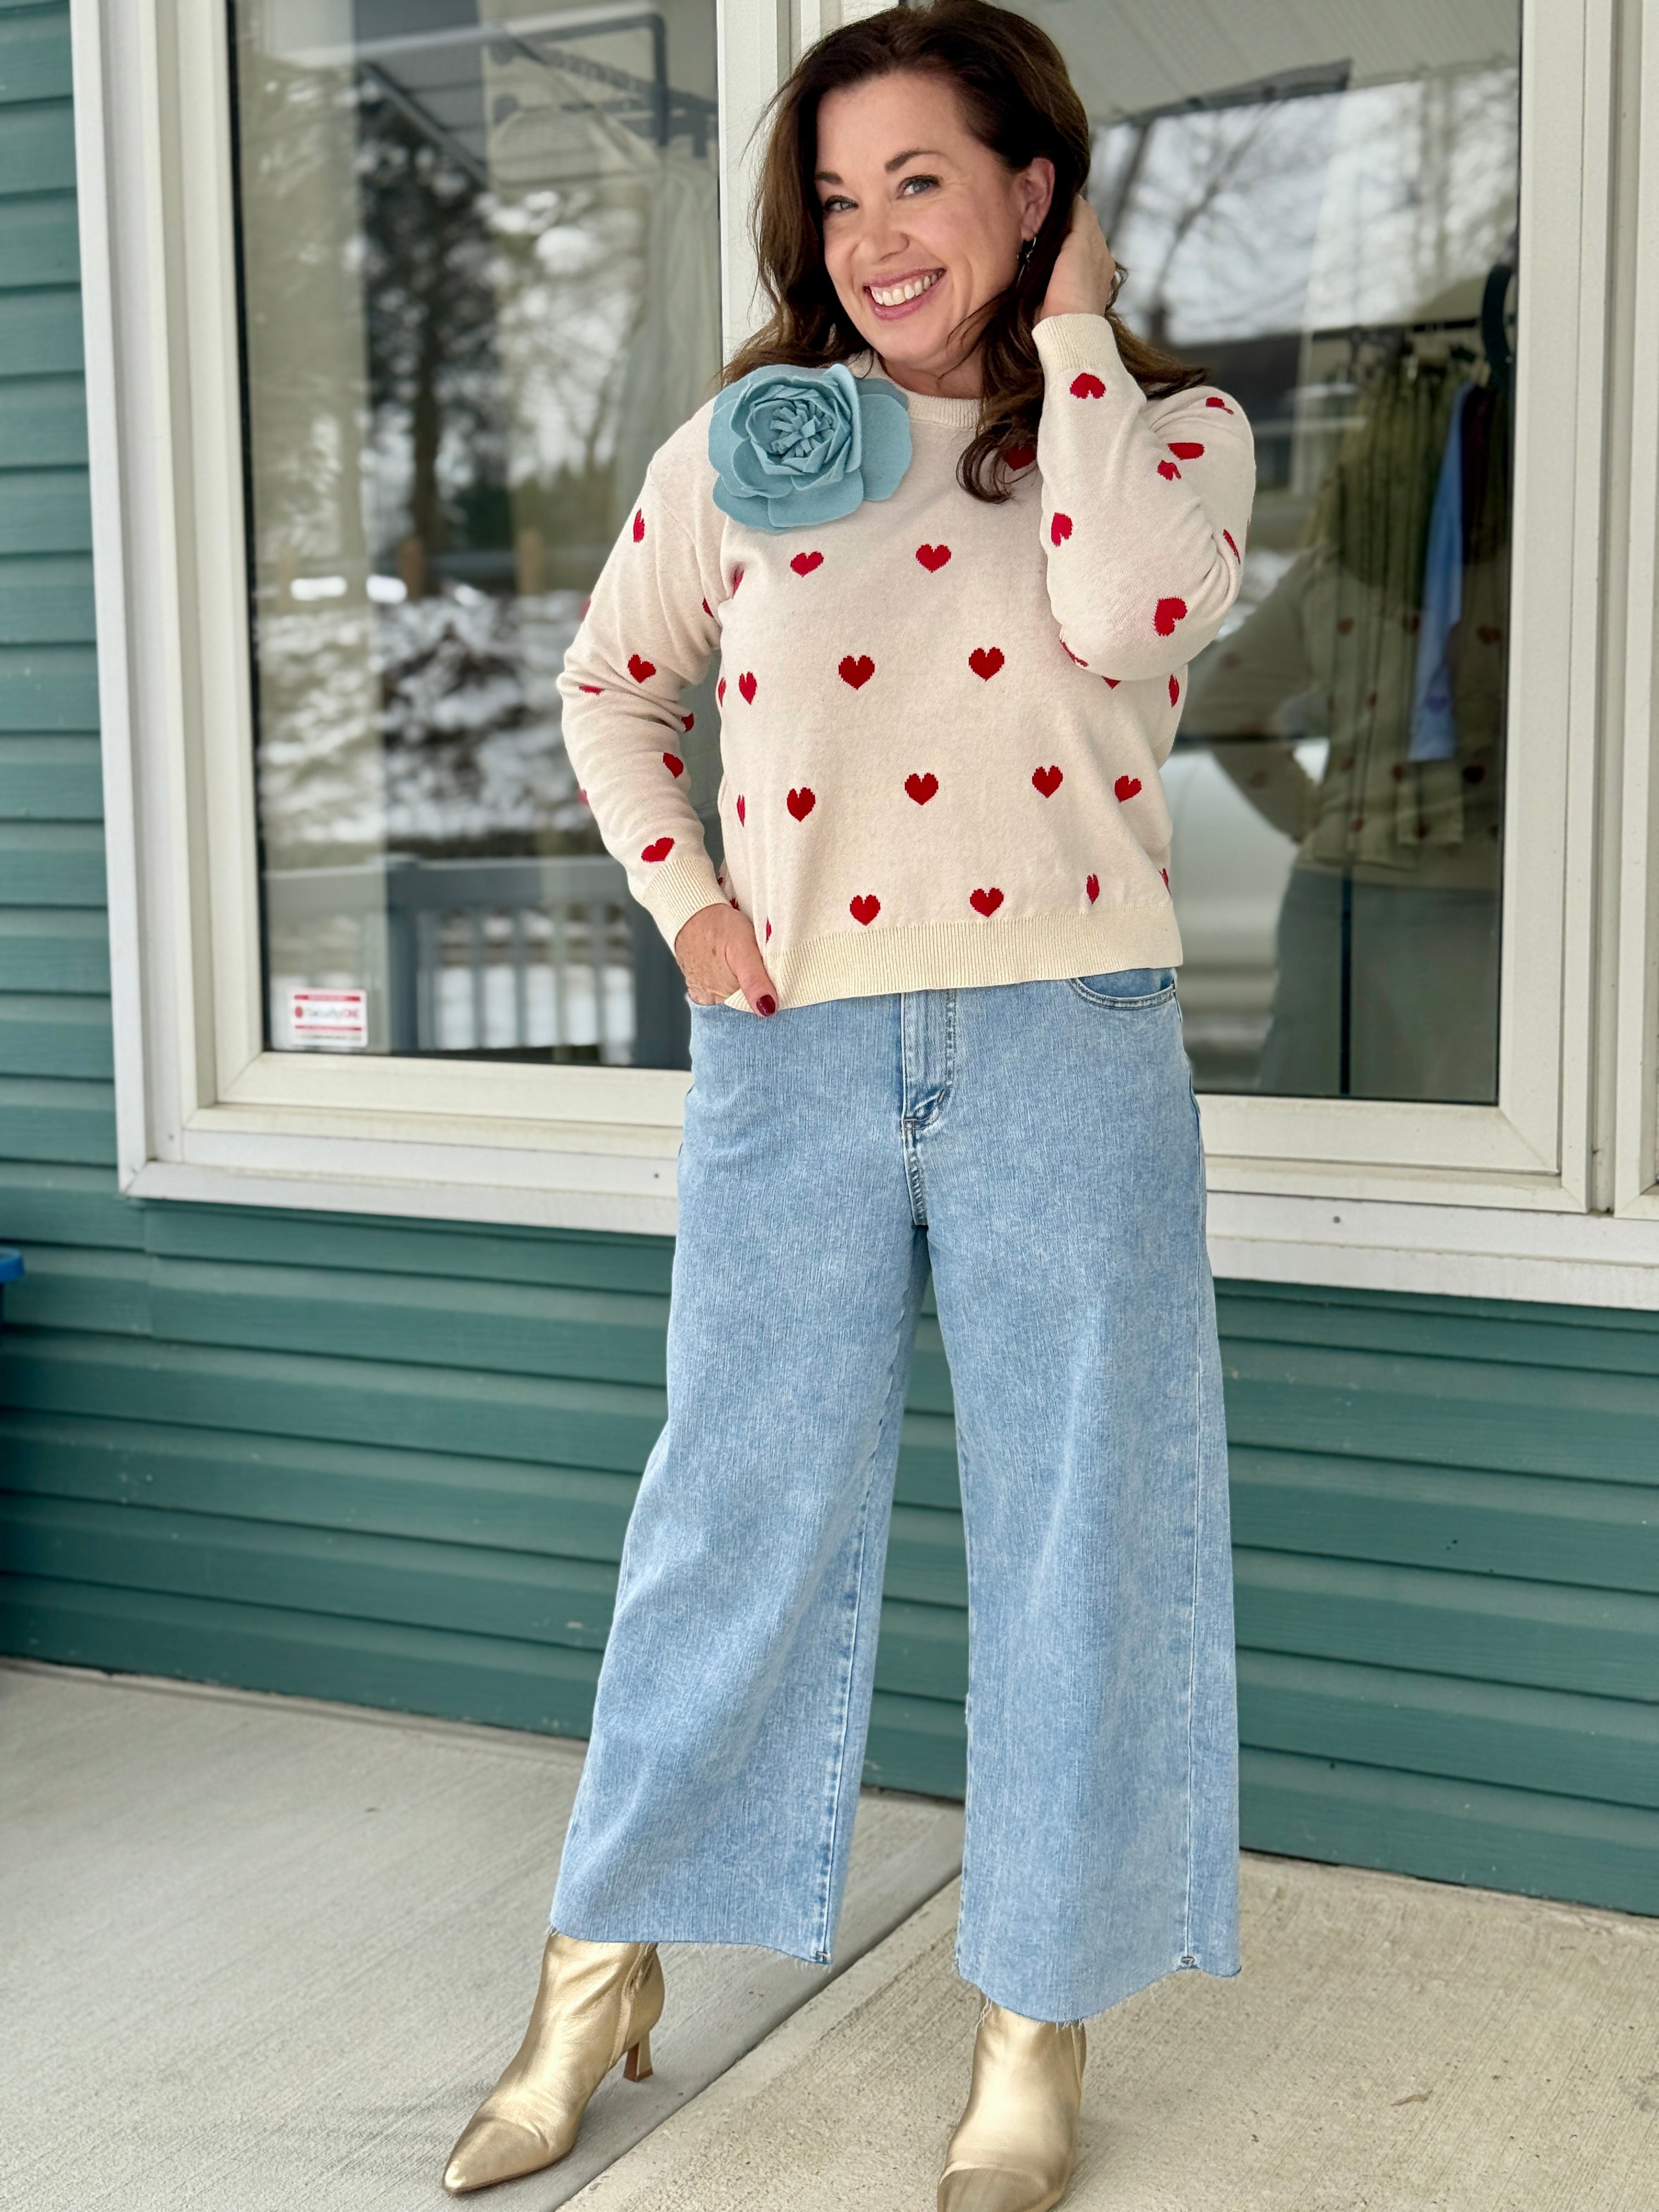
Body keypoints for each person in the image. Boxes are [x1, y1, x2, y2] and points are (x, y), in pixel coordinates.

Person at [442, 5, 1253, 2205]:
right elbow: (612, 689)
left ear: (1034, 190)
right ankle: (598, 1967)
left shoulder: (1169, 439)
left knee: (1078, 1529)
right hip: (794, 1050)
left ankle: (1035, 2017)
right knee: (730, 1513)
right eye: (834, 195)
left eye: (921, 181)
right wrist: (693, 906)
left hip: (1066, 1042)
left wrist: (1072, 341)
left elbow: (1120, 611)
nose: (874, 235)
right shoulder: (750, 446)